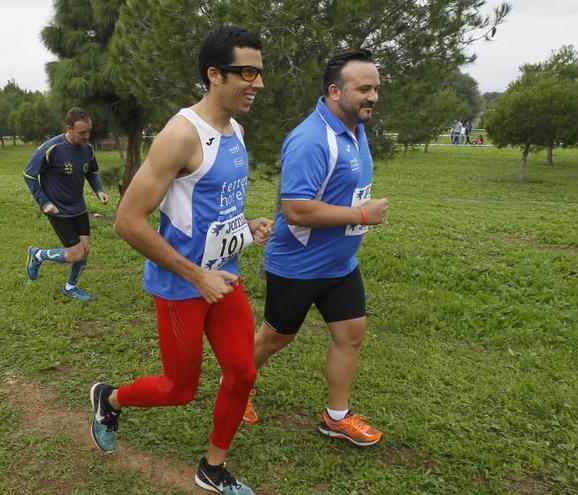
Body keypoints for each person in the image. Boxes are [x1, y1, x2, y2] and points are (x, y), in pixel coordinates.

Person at [89, 25, 272, 495]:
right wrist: (196, 275)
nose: (258, 83)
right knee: (179, 388)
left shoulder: (236, 130)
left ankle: (213, 466)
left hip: (224, 279)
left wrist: (245, 230)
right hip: (180, 287)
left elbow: (210, 209)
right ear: (215, 74)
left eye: (260, 72)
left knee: (243, 371)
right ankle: (110, 399)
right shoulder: (180, 135)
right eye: (247, 72)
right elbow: (128, 221)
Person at [241, 49, 389, 449]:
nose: (373, 96)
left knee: (351, 334)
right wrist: (361, 214)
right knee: (275, 338)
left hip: (340, 264)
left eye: (375, 88)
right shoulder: (310, 140)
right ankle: (235, 387)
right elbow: (297, 210)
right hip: (297, 266)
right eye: (364, 89)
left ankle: (335, 417)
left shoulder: (356, 129)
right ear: (335, 91)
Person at [23, 107, 110, 302]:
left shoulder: (88, 149)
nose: (87, 136)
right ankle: (37, 255)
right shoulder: (51, 148)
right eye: (82, 132)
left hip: (79, 207)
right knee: (75, 254)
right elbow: (29, 175)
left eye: (89, 131)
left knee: (85, 251)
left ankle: (70, 288)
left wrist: (99, 191)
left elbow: (91, 172)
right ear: (68, 128)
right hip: (58, 209)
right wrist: (44, 203)